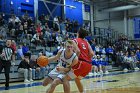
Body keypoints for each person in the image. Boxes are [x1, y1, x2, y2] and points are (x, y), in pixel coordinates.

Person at [66, 28, 94, 93]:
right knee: (77, 79)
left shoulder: (75, 40)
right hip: (89, 65)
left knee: (65, 79)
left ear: (78, 33)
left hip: (81, 63)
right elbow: (92, 54)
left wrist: (75, 61)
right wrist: (86, 58)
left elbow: (78, 51)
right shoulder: (86, 42)